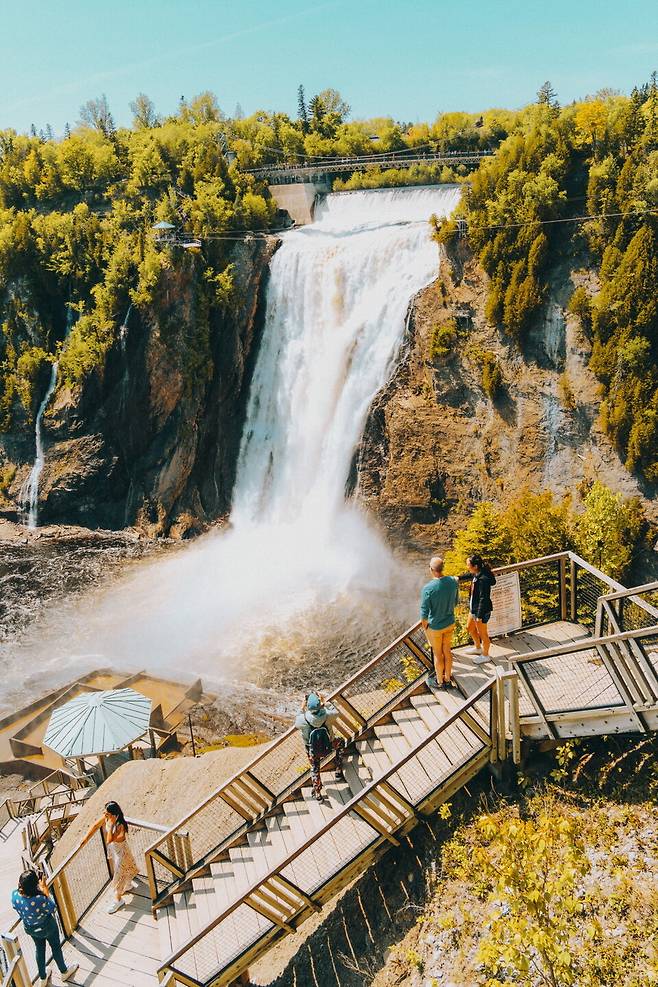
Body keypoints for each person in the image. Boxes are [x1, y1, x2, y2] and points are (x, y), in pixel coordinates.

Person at [11, 869, 79, 986]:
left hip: (31, 929)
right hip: (48, 927)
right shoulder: (39, 899)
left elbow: (17, 906)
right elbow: (52, 907)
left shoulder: (15, 895)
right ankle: (64, 971)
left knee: (39, 949)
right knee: (55, 947)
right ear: (34, 885)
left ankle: (42, 978)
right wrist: (45, 889)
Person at [82, 801, 139, 913]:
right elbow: (95, 825)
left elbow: (109, 840)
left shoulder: (120, 826)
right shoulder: (107, 817)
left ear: (114, 815)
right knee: (125, 871)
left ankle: (118, 900)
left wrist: (112, 824)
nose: (104, 814)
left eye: (107, 813)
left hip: (122, 853)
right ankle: (127, 885)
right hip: (116, 852)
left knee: (119, 876)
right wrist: (85, 839)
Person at [295, 693, 345, 801]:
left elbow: (296, 723)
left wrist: (301, 707)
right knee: (340, 742)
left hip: (312, 749)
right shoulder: (327, 715)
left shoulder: (303, 719)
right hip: (329, 745)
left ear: (308, 706)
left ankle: (317, 793)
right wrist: (325, 702)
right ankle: (338, 769)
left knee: (314, 768)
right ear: (319, 704)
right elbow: (337, 712)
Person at [419, 556, 460, 689]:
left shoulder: (428, 588)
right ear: (443, 568)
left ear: (431, 569)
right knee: (447, 651)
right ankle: (447, 678)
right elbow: (455, 602)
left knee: (438, 654)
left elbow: (424, 615)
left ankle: (439, 681)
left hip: (435, 627)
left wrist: (425, 628)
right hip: (449, 623)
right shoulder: (453, 581)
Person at [465, 554, 497, 664]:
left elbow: (484, 599)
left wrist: (479, 615)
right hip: (474, 608)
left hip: (481, 611)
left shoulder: (483, 579)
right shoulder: (477, 574)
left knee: (483, 634)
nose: (467, 567)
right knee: (469, 628)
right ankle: (478, 648)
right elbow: (468, 575)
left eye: (468, 565)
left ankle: (486, 655)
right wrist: (457, 578)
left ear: (475, 566)